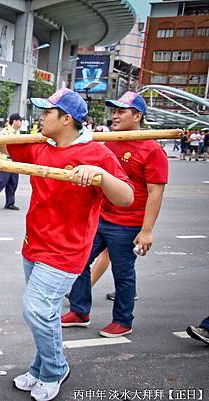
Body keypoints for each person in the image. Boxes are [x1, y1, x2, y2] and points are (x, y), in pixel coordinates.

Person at [0, 88, 133, 401]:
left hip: (67, 252)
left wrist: (98, 174)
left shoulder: (97, 154)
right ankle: (40, 367)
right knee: (47, 313)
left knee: (36, 309)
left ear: (66, 119)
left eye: (46, 113)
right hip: (34, 245)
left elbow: (126, 197)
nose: (40, 118)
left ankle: (55, 369)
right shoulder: (41, 146)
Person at [62, 92, 168, 338]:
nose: (115, 115)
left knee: (123, 274)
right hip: (101, 217)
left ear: (138, 116)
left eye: (121, 111)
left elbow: (155, 192)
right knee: (79, 262)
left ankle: (122, 320)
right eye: (114, 110)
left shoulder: (152, 150)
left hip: (127, 224)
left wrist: (147, 230)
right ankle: (80, 311)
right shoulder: (108, 141)